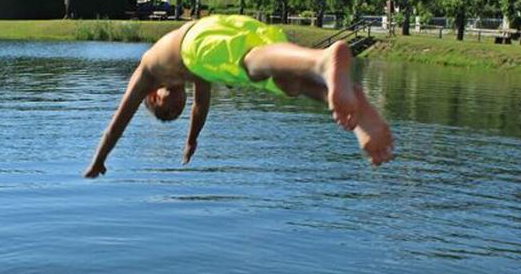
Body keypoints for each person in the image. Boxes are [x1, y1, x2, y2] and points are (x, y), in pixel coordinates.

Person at [84, 14, 393, 178]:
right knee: (287, 83)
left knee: (251, 65)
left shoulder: (147, 73)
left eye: (168, 110)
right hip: (223, 25)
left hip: (199, 40)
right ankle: (355, 110)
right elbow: (201, 106)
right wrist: (192, 139)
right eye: (177, 111)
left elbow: (116, 124)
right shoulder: (196, 72)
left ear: (153, 97)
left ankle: (320, 61)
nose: (178, 106)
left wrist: (99, 160)